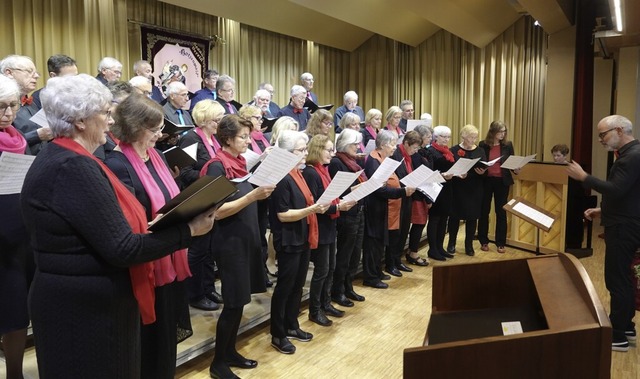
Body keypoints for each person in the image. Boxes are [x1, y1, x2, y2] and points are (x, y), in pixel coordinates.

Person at [20, 74, 216, 378]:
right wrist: (188, 231)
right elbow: (123, 248)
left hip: (80, 302)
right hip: (85, 309)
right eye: (105, 113)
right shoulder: (73, 166)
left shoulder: (64, 157)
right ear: (81, 121)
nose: (111, 122)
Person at [104, 94, 192, 379]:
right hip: (146, 264)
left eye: (159, 128)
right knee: (147, 346)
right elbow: (129, 217)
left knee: (164, 341)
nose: (159, 135)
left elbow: (164, 197)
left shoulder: (155, 156)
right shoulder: (117, 163)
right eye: (152, 129)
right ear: (133, 126)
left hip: (166, 260)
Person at [201, 115, 275, 378]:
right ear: (227, 138)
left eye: (248, 136)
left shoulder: (242, 161)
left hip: (246, 237)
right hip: (228, 242)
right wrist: (254, 195)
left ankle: (230, 351)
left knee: (241, 300)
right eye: (243, 137)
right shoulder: (216, 166)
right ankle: (218, 363)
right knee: (233, 303)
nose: (247, 141)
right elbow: (218, 212)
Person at [566, 115, 640, 352]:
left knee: (617, 280)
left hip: (623, 227)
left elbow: (617, 190)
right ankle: (626, 327)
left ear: (619, 130)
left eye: (603, 134)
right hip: (626, 221)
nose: (600, 140)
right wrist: (602, 209)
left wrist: (584, 177)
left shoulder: (632, 157)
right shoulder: (633, 154)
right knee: (624, 278)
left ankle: (616, 336)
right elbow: (630, 194)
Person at [269, 130, 329, 354]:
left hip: (302, 236)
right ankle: (278, 333)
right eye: (300, 150)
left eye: (305, 149)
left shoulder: (297, 173)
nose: (305, 153)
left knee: (297, 286)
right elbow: (283, 215)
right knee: (285, 288)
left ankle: (292, 324)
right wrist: (313, 209)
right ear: (286, 153)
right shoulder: (281, 177)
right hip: (288, 239)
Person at [303, 135, 356, 326]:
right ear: (317, 150)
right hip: (320, 226)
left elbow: (329, 198)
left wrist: (340, 203)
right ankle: (315, 310)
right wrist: (338, 207)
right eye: (328, 150)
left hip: (330, 225)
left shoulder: (323, 170)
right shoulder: (311, 173)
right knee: (321, 271)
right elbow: (317, 205)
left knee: (330, 267)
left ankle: (326, 304)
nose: (332, 153)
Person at [179, 99, 225, 311]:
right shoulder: (190, 138)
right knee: (197, 250)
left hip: (211, 196)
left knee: (208, 249)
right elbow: (186, 173)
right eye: (217, 119)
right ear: (205, 120)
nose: (220, 123)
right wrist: (212, 176)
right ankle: (195, 294)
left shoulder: (214, 138)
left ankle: (208, 288)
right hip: (196, 197)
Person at [0, 75, 32, 379]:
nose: (8, 113)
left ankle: (14, 373)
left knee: (15, 307)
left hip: (16, 234)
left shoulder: (17, 135)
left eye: (12, 105)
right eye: (1, 107)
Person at [362, 130, 414, 289]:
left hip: (384, 208)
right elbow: (377, 189)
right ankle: (370, 277)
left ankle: (377, 272)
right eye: (392, 144)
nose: (395, 147)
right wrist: (401, 192)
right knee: (373, 243)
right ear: (383, 144)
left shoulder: (384, 158)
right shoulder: (373, 160)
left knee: (379, 243)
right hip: (375, 208)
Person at [329, 129, 368, 305]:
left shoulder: (353, 162)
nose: (357, 147)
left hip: (358, 211)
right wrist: (363, 186)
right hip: (346, 214)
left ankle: (348, 286)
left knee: (354, 254)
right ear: (345, 144)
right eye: (354, 144)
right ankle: (338, 291)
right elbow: (338, 191)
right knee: (344, 255)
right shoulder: (337, 162)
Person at [478, 121, 518, 254]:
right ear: (493, 132)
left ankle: (501, 243)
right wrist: (481, 170)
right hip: (487, 181)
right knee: (484, 211)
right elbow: (480, 162)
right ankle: (483, 240)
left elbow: (512, 162)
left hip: (502, 181)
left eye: (504, 131)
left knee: (501, 212)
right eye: (500, 131)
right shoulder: (483, 144)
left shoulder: (508, 145)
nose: (503, 134)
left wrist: (516, 169)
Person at [386, 130, 422, 277]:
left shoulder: (408, 156)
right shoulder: (396, 155)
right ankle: (390, 263)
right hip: (397, 197)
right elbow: (393, 177)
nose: (416, 151)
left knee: (404, 230)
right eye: (414, 147)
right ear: (406, 143)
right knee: (395, 233)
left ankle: (398, 259)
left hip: (407, 197)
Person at [447, 125, 487, 256]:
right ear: (463, 136)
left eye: (475, 137)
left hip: (475, 188)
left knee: (472, 217)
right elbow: (450, 167)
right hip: (458, 187)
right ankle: (451, 243)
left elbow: (484, 168)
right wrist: (458, 174)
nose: (473, 140)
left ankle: (469, 245)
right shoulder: (454, 150)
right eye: (471, 137)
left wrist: (481, 172)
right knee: (454, 216)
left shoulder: (480, 150)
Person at [0, 55, 49, 154]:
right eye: (29, 71)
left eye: (14, 105)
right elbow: (10, 140)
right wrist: (37, 135)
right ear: (9, 73)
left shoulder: (30, 103)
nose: (36, 76)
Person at [425, 125, 456, 261]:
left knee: (444, 218)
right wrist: (443, 175)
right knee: (435, 219)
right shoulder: (430, 151)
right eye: (443, 136)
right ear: (436, 137)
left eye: (448, 137)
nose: (446, 139)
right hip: (435, 187)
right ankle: (433, 249)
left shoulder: (447, 151)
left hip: (447, 188)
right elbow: (430, 173)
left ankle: (440, 247)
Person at [406, 124, 433, 266]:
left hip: (423, 192)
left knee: (420, 223)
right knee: (419, 223)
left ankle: (412, 251)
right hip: (418, 194)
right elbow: (420, 176)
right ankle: (413, 253)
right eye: (428, 136)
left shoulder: (422, 152)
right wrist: (428, 197)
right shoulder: (416, 155)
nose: (430, 139)